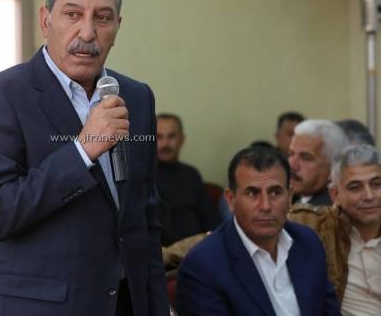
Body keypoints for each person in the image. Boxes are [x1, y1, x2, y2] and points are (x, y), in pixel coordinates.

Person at [0, 0, 168, 316]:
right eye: (73, 14)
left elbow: (144, 220)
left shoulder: (136, 96)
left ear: (117, 27)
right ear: (46, 20)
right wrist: (82, 150)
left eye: (102, 18)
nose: (87, 32)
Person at [176, 146, 339, 315]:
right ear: (231, 200)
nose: (266, 206)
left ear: (290, 197)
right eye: (252, 193)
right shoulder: (204, 266)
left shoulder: (308, 241)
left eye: (275, 192)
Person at [290, 144, 381, 315]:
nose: (369, 196)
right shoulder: (315, 226)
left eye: (377, 184)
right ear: (335, 194)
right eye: (355, 187)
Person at [156, 113, 219, 245]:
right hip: (166, 250)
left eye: (171, 136)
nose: (165, 143)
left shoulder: (191, 174)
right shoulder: (144, 176)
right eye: (159, 137)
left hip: (201, 246)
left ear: (182, 139)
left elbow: (210, 218)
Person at [289, 119, 348, 205]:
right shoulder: (296, 200)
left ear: (333, 167)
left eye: (306, 158)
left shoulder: (329, 210)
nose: (292, 165)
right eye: (291, 154)